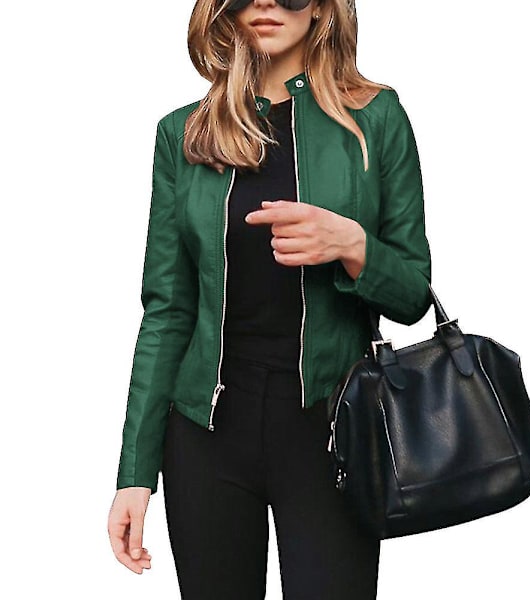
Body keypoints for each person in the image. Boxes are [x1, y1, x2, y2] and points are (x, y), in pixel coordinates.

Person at [107, 0, 432, 598]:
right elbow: (167, 312)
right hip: (204, 437)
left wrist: (353, 245)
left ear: (324, 7)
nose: (265, 4)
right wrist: (135, 473)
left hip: (334, 431)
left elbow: (413, 294)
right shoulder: (184, 133)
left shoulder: (376, 117)